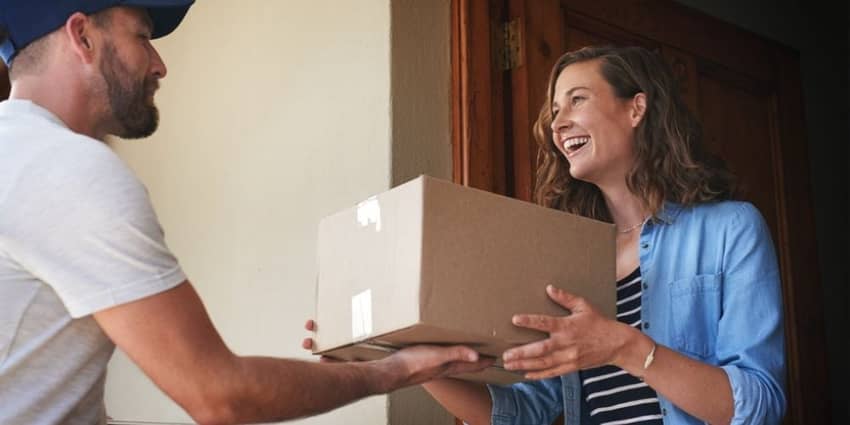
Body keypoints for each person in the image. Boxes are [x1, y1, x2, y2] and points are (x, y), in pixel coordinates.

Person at [0, 2, 490, 424]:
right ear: (82, 35)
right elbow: (220, 394)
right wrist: (395, 370)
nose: (159, 64)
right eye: (143, 37)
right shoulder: (69, 169)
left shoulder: (18, 154)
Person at [420, 46, 786, 424]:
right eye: (555, 111)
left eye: (577, 100)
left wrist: (623, 347)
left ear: (636, 108)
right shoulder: (565, 262)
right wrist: (415, 364)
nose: (558, 124)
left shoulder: (731, 229)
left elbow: (760, 406)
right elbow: (523, 413)